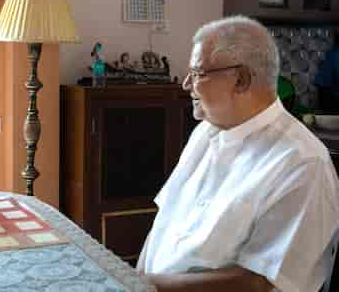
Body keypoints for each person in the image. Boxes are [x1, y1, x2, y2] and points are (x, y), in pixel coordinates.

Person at [137, 16, 339, 291]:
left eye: (197, 73)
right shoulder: (205, 133)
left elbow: (259, 282)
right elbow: (164, 224)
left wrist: (145, 287)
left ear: (241, 79)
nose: (186, 84)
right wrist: (130, 279)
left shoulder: (302, 162)